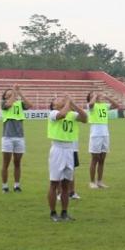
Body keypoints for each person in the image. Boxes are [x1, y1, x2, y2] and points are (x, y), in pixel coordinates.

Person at [47, 94, 88, 222]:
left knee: (66, 184)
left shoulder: (71, 114)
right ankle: (53, 213)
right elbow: (62, 115)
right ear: (54, 105)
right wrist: (68, 103)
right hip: (58, 149)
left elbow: (85, 118)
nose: (61, 99)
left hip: (69, 149)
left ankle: (64, 212)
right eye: (57, 99)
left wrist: (73, 104)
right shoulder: (53, 113)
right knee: (54, 183)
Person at [0, 85, 33, 194]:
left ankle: (17, 185)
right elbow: (9, 104)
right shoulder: (4, 103)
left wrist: (20, 93)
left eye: (12, 93)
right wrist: (14, 92)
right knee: (6, 163)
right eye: (8, 93)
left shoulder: (19, 103)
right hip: (8, 137)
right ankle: (4, 186)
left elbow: (30, 105)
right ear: (4, 96)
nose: (10, 94)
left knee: (17, 163)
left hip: (19, 137)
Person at [87, 91, 122, 189]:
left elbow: (116, 105)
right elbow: (91, 104)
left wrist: (107, 97)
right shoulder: (91, 106)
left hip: (105, 134)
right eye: (92, 95)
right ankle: (92, 182)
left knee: (102, 159)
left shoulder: (104, 105)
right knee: (95, 159)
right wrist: (94, 96)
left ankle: (100, 181)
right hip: (95, 135)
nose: (96, 95)